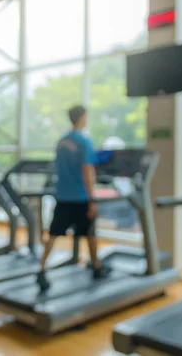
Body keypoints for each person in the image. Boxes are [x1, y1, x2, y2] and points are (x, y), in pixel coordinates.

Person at [36, 105, 111, 292]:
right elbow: (87, 171)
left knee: (53, 234)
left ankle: (42, 268)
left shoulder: (62, 142)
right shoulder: (84, 142)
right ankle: (96, 266)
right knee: (90, 232)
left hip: (62, 194)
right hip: (80, 196)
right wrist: (92, 199)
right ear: (82, 118)